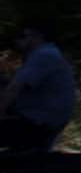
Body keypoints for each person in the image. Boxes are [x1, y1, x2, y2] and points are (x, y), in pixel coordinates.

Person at [0, 19, 76, 152]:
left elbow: (14, 88)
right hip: (39, 122)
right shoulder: (46, 54)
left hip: (37, 125)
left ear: (38, 37)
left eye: (23, 37)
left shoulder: (43, 55)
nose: (17, 42)